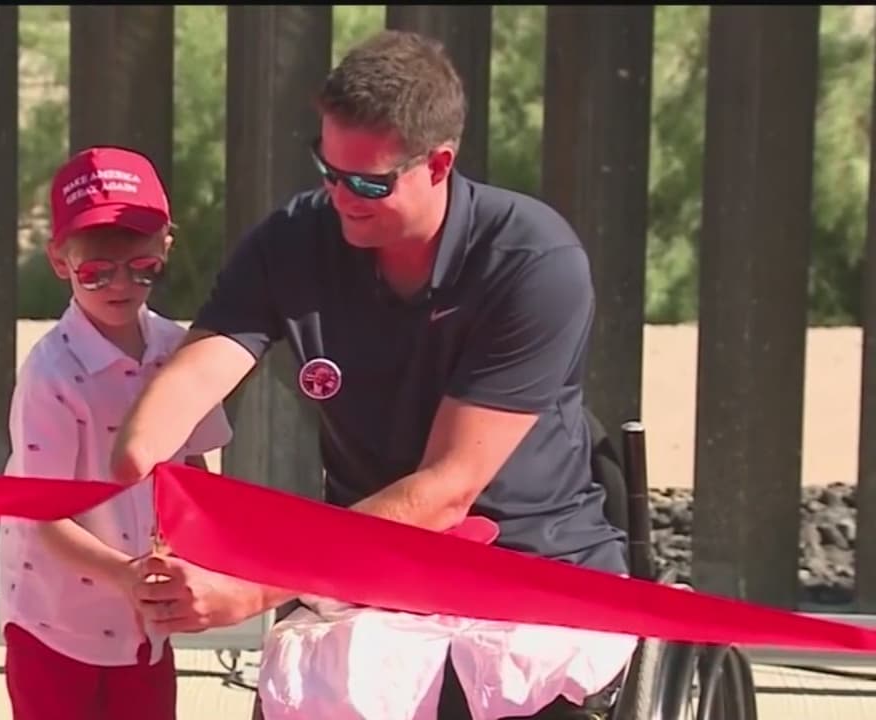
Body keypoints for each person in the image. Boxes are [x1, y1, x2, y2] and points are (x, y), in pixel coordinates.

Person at [109, 30, 635, 719]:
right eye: (327, 171)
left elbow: (447, 490)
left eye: (367, 183)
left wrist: (253, 585)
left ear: (439, 163)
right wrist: (138, 457)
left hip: (529, 564)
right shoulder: (293, 240)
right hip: (362, 574)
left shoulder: (533, 262)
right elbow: (203, 365)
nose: (341, 197)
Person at [0, 145, 233, 720]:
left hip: (142, 619)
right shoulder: (52, 372)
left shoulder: (179, 353)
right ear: (60, 261)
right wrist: (125, 575)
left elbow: (192, 474)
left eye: (143, 267)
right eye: (96, 272)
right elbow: (41, 511)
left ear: (165, 248)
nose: (121, 284)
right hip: (55, 619)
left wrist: (195, 559)